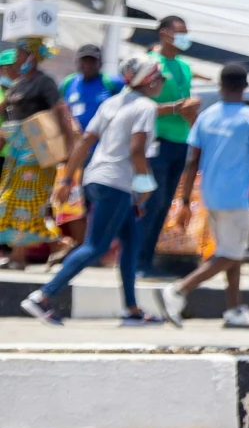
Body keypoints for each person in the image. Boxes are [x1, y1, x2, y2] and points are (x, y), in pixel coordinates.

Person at [23, 56, 164, 325]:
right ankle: (43, 296)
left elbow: (86, 140)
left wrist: (66, 180)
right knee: (95, 246)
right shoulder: (145, 106)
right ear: (149, 80)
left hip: (96, 178)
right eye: (159, 77)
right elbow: (137, 151)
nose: (161, 83)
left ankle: (132, 309)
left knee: (131, 242)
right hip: (116, 182)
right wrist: (146, 185)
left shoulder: (112, 103)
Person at [157, 64, 249, 329]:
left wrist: (183, 201)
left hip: (210, 196)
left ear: (220, 84)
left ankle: (234, 308)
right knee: (232, 254)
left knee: (229, 249)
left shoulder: (207, 116)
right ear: (245, 86)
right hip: (234, 197)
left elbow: (192, 161)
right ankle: (179, 290)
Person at [131, 15, 201, 273]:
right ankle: (136, 260)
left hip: (179, 143)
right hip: (155, 142)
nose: (184, 37)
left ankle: (148, 259)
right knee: (152, 202)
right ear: (163, 34)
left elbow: (186, 106)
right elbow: (140, 106)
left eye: (186, 32)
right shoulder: (151, 63)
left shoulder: (184, 68)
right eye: (179, 32)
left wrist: (192, 117)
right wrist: (175, 108)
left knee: (164, 205)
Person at [0, 36, 74, 266]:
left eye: (20, 53)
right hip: (16, 154)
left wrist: (69, 151)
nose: (16, 58)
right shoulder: (18, 84)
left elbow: (62, 114)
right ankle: (24, 255)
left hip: (37, 156)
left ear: (32, 56)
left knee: (20, 204)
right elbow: (6, 115)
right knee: (15, 206)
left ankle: (54, 244)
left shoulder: (44, 82)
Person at [59, 45, 119, 130]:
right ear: (77, 62)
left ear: (100, 63)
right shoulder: (68, 83)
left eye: (92, 61)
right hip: (75, 140)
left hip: (102, 141)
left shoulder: (111, 82)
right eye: (84, 61)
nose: (87, 65)